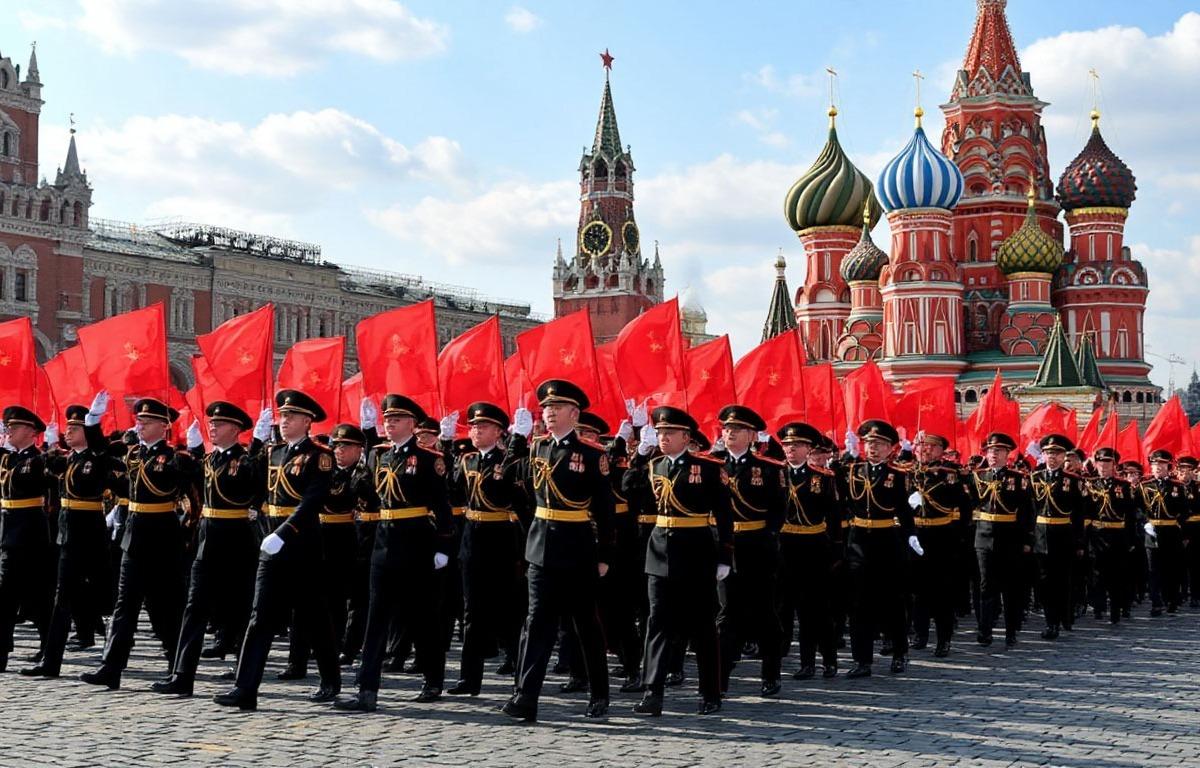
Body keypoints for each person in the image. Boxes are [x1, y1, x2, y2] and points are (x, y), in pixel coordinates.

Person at [213, 389, 339, 711]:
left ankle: (330, 679)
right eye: (283, 416)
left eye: (292, 416)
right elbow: (246, 477)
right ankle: (245, 688)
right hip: (272, 546)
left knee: (313, 617)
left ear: (308, 421)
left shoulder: (320, 456)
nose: (285, 421)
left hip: (302, 545)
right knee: (260, 617)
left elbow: (312, 501)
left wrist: (284, 533)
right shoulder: (273, 453)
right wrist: (256, 440)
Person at [500, 379, 615, 723]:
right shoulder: (537, 448)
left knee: (586, 624)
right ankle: (525, 698)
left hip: (577, 548)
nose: (548, 413)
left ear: (574, 414)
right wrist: (516, 440)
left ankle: (599, 693)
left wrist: (605, 555)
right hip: (541, 548)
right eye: (546, 408)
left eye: (556, 408)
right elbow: (506, 480)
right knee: (537, 623)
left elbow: (605, 509)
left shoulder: (592, 454)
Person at [334, 394, 452, 712]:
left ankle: (433, 679)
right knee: (376, 618)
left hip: (415, 543)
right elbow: (369, 494)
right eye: (386, 419)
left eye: (396, 419)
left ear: (412, 424)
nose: (389, 424)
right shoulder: (380, 456)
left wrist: (442, 546)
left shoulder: (428, 459)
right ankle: (366, 689)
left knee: (422, 616)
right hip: (383, 543)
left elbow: (441, 506)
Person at [148, 402, 264, 696]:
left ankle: (242, 674)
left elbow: (255, 479)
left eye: (219, 424)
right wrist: (191, 452)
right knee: (194, 608)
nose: (212, 428)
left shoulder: (245, 460)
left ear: (235, 430)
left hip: (236, 541)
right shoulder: (210, 460)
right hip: (207, 541)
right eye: (211, 424)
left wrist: (258, 444)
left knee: (239, 609)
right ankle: (182, 675)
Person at [81, 398, 194, 690]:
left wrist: (194, 449)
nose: (140, 425)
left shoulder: (174, 458)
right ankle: (111, 667)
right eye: (139, 420)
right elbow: (103, 454)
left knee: (166, 608)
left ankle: (177, 670)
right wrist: (92, 423)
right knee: (124, 606)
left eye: (147, 421)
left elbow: (189, 484)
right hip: (133, 540)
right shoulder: (134, 454)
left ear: (164, 426)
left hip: (162, 540)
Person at [624, 405, 731, 716]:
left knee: (702, 626)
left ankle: (710, 692)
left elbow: (724, 514)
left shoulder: (708, 468)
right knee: (656, 622)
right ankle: (652, 692)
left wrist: (724, 556)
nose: (663, 437)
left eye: (669, 432)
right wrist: (639, 453)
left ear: (686, 436)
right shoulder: (654, 465)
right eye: (660, 432)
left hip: (696, 552)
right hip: (659, 552)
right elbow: (627, 487)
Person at [21, 398, 123, 678]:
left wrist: (94, 425)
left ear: (87, 432)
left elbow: (104, 455)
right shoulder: (69, 460)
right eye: (68, 428)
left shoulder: (97, 458)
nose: (68, 432)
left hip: (91, 536)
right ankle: (51, 661)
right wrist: (48, 444)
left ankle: (113, 656)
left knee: (106, 597)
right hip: (69, 536)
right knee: (63, 598)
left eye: (74, 428)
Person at [445, 402, 527, 696]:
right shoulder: (467, 460)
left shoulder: (509, 461)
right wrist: (446, 447)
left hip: (501, 540)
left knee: (509, 613)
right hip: (472, 541)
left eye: (483, 426)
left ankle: (521, 678)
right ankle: (469, 679)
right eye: (474, 427)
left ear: (499, 432)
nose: (476, 431)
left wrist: (518, 447)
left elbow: (510, 496)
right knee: (472, 613)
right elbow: (452, 492)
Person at [714, 404, 784, 696]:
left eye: (737, 429)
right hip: (724, 547)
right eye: (727, 429)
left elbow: (778, 510)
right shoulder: (712, 465)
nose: (730, 433)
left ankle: (771, 673)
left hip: (756, 547)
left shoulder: (768, 468)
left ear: (752, 435)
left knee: (764, 611)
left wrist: (768, 538)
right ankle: (720, 678)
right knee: (726, 613)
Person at [842, 419, 919, 677]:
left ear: (890, 448)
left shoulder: (898, 475)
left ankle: (899, 652)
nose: (873, 448)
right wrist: (846, 456)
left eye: (879, 444)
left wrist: (910, 535)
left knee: (892, 601)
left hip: (887, 540)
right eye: (869, 443)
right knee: (858, 603)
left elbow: (904, 511)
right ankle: (862, 660)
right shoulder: (853, 471)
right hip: (858, 541)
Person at [775, 421, 840, 678]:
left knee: (814, 609)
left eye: (797, 445)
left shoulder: (822, 478)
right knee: (783, 605)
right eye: (787, 445)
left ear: (808, 449)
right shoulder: (774, 473)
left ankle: (824, 659)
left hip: (813, 547)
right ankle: (783, 657)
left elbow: (833, 516)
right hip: (784, 546)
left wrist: (835, 551)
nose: (790, 449)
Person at [0, 405, 54, 673]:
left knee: (39, 596)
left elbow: (32, 480)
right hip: (8, 533)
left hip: (31, 533)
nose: (9, 430)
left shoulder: (37, 460)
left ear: (31, 432)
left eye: (14, 427)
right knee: (5, 595)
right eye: (7, 426)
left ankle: (48, 647)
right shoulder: (7, 458)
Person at [968, 432, 1035, 648]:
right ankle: (985, 630)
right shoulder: (978, 476)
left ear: (1007, 454)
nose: (993, 455)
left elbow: (1027, 512)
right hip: (984, 537)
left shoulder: (1019, 479)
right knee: (985, 586)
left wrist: (1027, 540)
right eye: (990, 451)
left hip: (1010, 537)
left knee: (1010, 587)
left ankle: (1011, 631)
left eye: (998, 451)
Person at [907, 430, 970, 657]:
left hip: (941, 536)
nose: (926, 450)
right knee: (917, 590)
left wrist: (958, 537)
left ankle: (944, 639)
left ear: (941, 451)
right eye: (923, 446)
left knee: (942, 591)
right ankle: (920, 634)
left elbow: (964, 507)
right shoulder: (909, 472)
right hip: (915, 536)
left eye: (932, 447)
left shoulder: (949, 474)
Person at [1029, 434, 1091, 639]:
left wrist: (1079, 541)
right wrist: (1029, 537)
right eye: (1048, 453)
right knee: (1044, 581)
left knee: (1063, 580)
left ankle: (1065, 615)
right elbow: (1030, 510)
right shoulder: (1034, 478)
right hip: (1041, 536)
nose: (1052, 457)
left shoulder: (1073, 481)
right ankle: (1051, 622)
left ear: (1063, 456)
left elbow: (1079, 514)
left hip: (1064, 536)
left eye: (1056, 453)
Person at [1087, 447, 1138, 624]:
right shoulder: (1090, 484)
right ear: (1096, 464)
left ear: (1114, 465)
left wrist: (1130, 539)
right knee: (1097, 573)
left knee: (1117, 574)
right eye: (1101, 462)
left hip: (1117, 535)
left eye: (1108, 462)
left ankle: (1116, 609)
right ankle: (1098, 606)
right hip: (1097, 534)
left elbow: (1130, 515)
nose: (1104, 466)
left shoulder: (1123, 486)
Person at [1141, 449, 1190, 617]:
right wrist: (1145, 523)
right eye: (1155, 464)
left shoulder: (1178, 487)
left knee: (1171, 568)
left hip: (1171, 532)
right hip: (1151, 532)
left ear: (1168, 466)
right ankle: (1156, 602)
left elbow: (1185, 511)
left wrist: (1181, 530)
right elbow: (1137, 508)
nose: (1158, 467)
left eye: (1162, 464)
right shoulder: (1144, 486)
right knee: (1153, 569)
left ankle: (1171, 600)